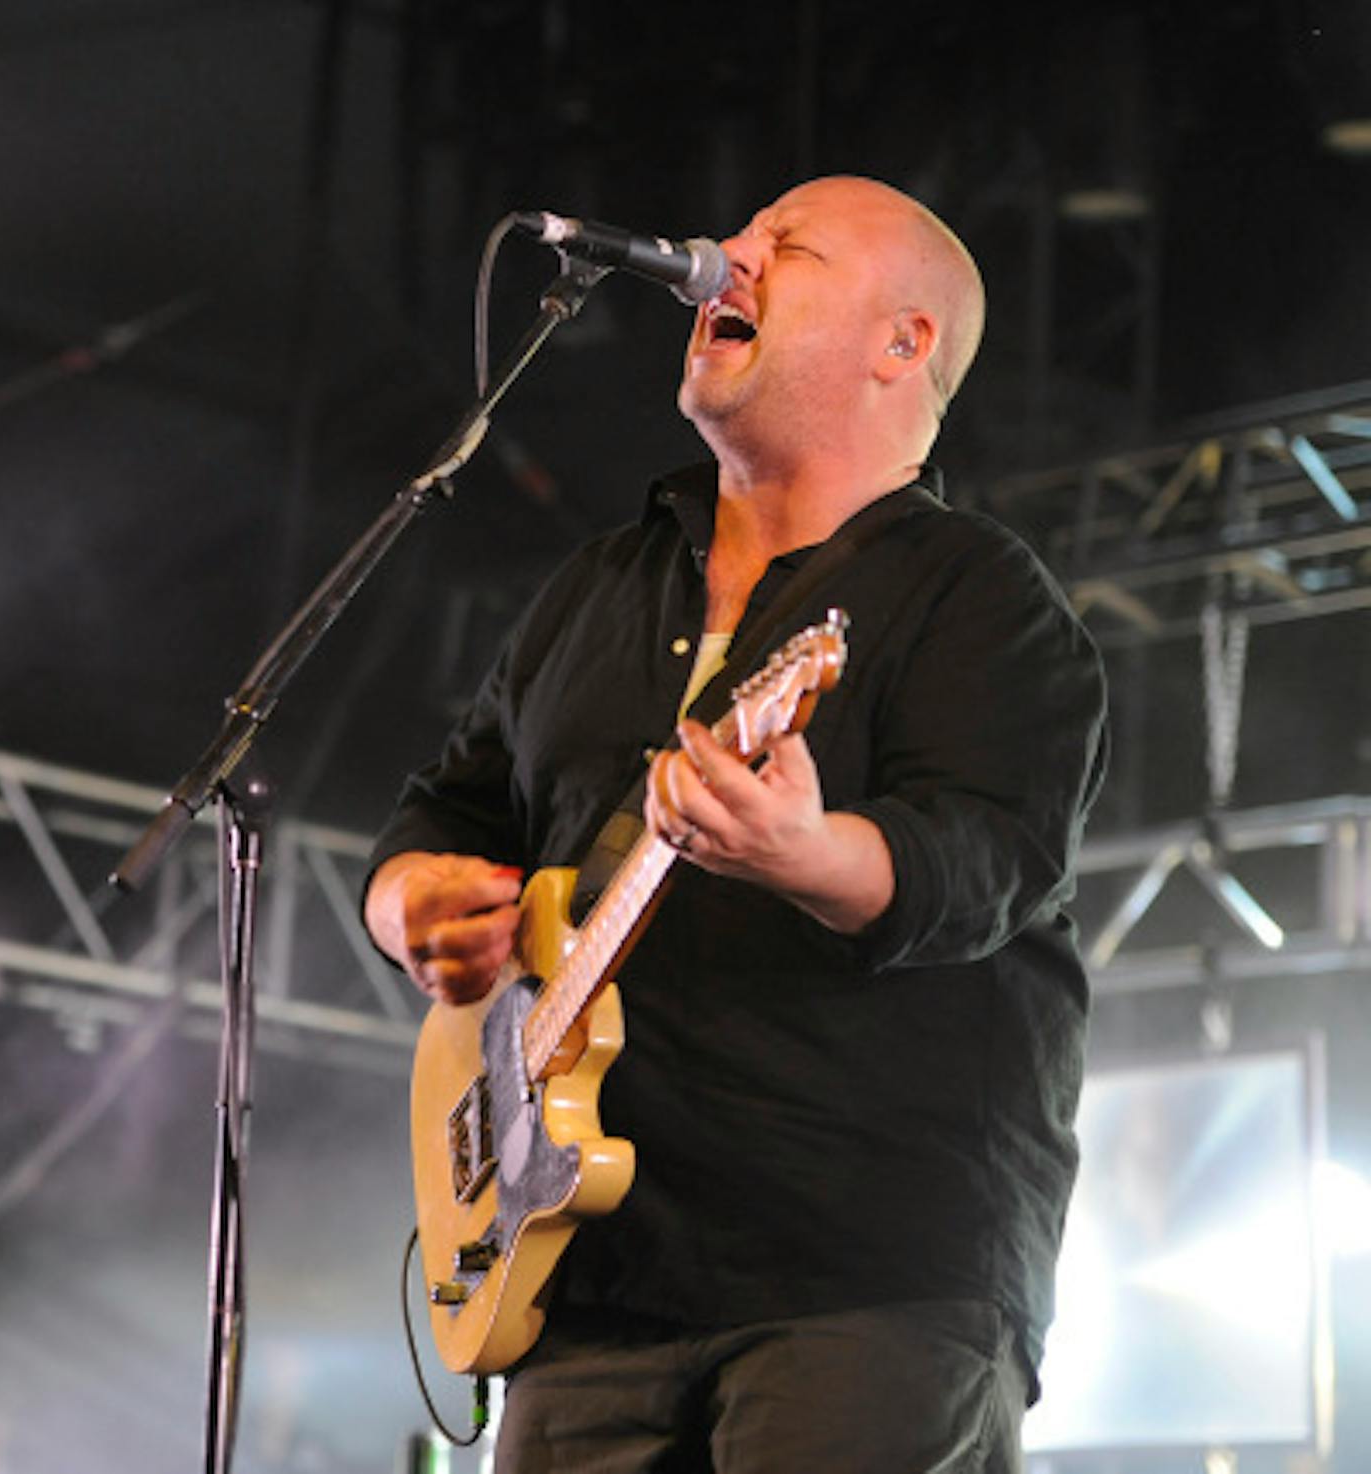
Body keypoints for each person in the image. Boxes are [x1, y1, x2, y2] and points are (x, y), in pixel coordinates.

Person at [364, 176, 1108, 1473]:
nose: (724, 258)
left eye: (787, 248)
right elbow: (450, 801)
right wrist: (406, 901)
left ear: (903, 343)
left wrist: (806, 853)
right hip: (583, 1282)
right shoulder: (599, 585)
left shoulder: (981, 595)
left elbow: (993, 858)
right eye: (741, 237)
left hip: (861, 1281)